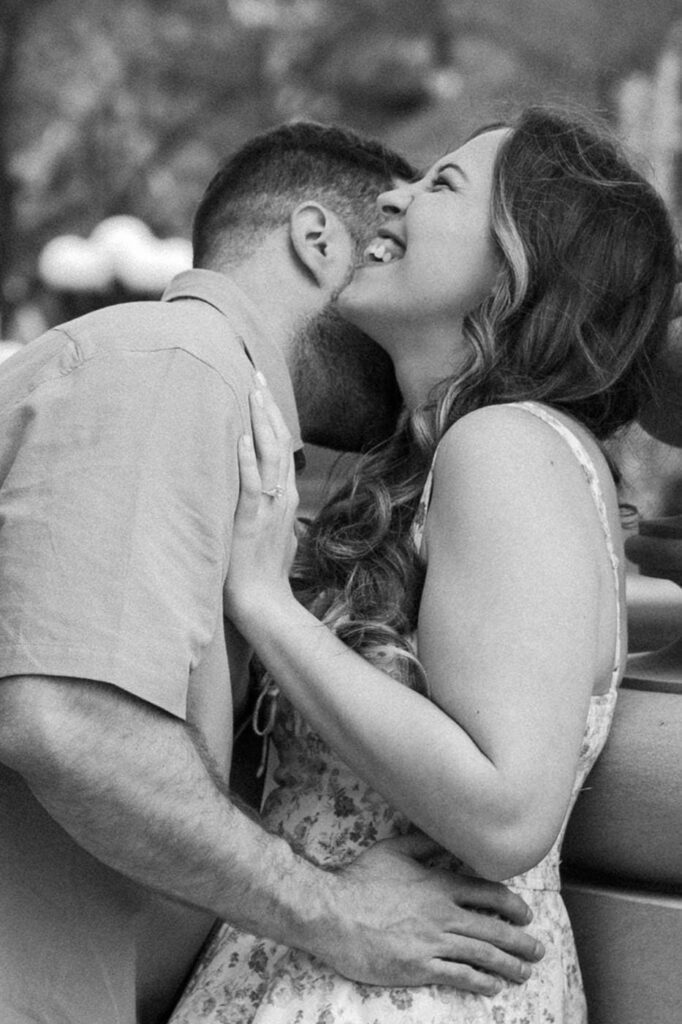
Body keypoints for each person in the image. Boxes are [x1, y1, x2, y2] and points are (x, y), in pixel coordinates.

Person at [0, 122, 541, 1024]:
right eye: (381, 247)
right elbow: (70, 721)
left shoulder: (207, 401)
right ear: (317, 240)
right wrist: (337, 913)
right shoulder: (172, 368)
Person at [169, 106, 677, 1023]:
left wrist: (264, 602)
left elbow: (505, 813)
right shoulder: (450, 460)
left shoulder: (505, 446)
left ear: (520, 264)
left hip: (406, 987)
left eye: (441, 184)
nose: (393, 197)